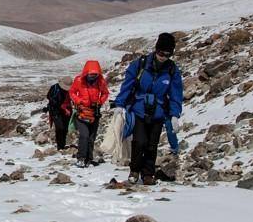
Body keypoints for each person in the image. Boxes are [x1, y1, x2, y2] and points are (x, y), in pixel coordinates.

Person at [112, 33, 183, 185]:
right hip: (139, 109)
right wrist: (120, 104)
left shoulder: (172, 71)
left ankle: (148, 174)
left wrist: (174, 115)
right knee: (139, 141)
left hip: (158, 112)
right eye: (161, 52)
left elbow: (176, 94)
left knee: (152, 144)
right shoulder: (141, 64)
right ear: (156, 49)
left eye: (167, 54)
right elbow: (128, 85)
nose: (163, 56)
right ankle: (134, 171)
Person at [68, 60, 109, 168]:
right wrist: (78, 101)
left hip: (94, 113)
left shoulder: (100, 81)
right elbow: (72, 92)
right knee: (84, 135)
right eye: (91, 74)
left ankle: (89, 159)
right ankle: (80, 158)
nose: (93, 76)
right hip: (82, 112)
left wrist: (99, 102)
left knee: (91, 137)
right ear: (86, 72)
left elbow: (105, 93)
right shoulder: (79, 80)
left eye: (95, 74)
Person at [44, 77, 72, 151]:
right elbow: (49, 98)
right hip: (55, 110)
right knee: (60, 128)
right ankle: (60, 146)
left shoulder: (68, 91)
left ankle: (62, 144)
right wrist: (62, 107)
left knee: (65, 128)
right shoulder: (54, 88)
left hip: (65, 110)